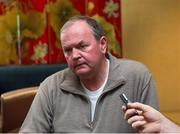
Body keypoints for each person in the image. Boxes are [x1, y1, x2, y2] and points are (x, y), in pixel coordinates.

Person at [19, 16, 159, 133]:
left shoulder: (137, 76)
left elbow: (155, 129)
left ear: (103, 45)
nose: (74, 56)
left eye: (82, 46)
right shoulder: (50, 87)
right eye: (68, 50)